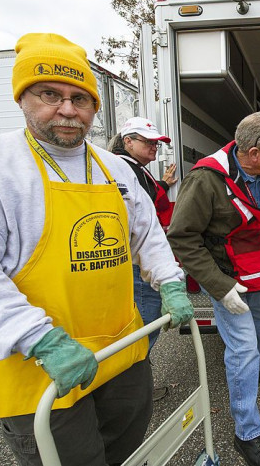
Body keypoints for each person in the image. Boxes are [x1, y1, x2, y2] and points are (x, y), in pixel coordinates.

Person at [0, 33, 194, 465]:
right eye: (50, 94)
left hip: (120, 353)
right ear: (21, 97)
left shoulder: (114, 169)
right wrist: (41, 340)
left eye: (81, 98)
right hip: (41, 366)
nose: (69, 109)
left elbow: (147, 234)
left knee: (124, 451)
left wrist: (170, 283)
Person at [167, 111, 260, 466]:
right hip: (226, 273)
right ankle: (247, 434)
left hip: (256, 264)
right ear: (252, 153)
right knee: (242, 348)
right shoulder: (205, 181)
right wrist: (220, 288)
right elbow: (182, 238)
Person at [110, 116, 178, 351]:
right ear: (128, 141)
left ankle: (139, 377)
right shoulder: (121, 168)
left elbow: (143, 198)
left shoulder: (134, 169)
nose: (154, 147)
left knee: (147, 322)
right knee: (145, 324)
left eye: (156, 143)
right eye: (148, 141)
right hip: (138, 262)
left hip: (143, 261)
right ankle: (136, 378)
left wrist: (164, 184)